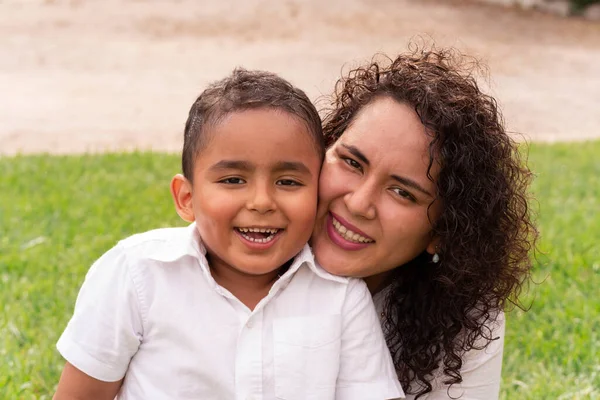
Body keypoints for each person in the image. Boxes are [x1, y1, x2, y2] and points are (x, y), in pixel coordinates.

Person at [53, 69, 404, 400]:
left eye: (288, 182)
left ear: (316, 191)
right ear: (186, 198)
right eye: (233, 180)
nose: (262, 201)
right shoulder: (136, 275)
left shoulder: (341, 298)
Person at [310, 46, 537, 399]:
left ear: (443, 232)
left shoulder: (462, 317)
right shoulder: (226, 260)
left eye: (403, 192)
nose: (358, 204)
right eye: (352, 163)